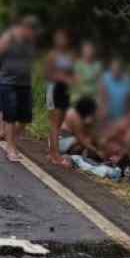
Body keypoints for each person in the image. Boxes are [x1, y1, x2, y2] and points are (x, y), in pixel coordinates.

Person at [0, 16, 37, 162]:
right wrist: (1, 71)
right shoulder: (8, 38)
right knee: (10, 117)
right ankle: (11, 148)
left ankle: (12, 142)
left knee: (25, 117)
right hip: (8, 82)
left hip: (25, 83)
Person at [44, 29, 74, 166]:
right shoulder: (53, 55)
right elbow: (48, 74)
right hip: (54, 89)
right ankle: (55, 154)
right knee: (54, 123)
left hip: (65, 91)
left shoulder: (70, 55)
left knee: (59, 123)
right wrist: (64, 77)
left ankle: (52, 153)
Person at [99, 57, 130, 125]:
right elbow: (102, 97)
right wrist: (103, 110)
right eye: (113, 69)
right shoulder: (105, 78)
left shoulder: (128, 80)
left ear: (121, 69)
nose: (115, 72)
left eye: (117, 69)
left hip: (124, 116)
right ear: (110, 68)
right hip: (109, 116)